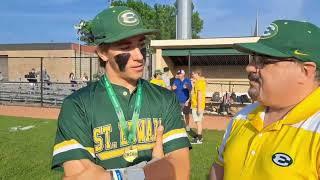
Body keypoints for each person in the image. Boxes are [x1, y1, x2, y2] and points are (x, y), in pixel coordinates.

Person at [52, 6, 190, 180]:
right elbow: (78, 176)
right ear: (102, 53)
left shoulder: (165, 98)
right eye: (126, 47)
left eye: (141, 45)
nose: (139, 56)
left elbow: (180, 171)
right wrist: (149, 171)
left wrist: (110, 176)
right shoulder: (78, 105)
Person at [210, 20, 320, 180]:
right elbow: (219, 170)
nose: (249, 67)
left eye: (263, 61)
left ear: (305, 71)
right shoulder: (242, 117)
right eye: (253, 58)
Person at [190, 70, 206, 144]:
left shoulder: (199, 82)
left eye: (193, 74)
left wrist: (199, 108)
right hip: (196, 105)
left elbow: (199, 95)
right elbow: (194, 93)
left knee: (198, 122)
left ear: (197, 74)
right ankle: (200, 137)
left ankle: (199, 139)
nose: (192, 75)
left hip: (197, 105)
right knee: (198, 122)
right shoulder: (199, 82)